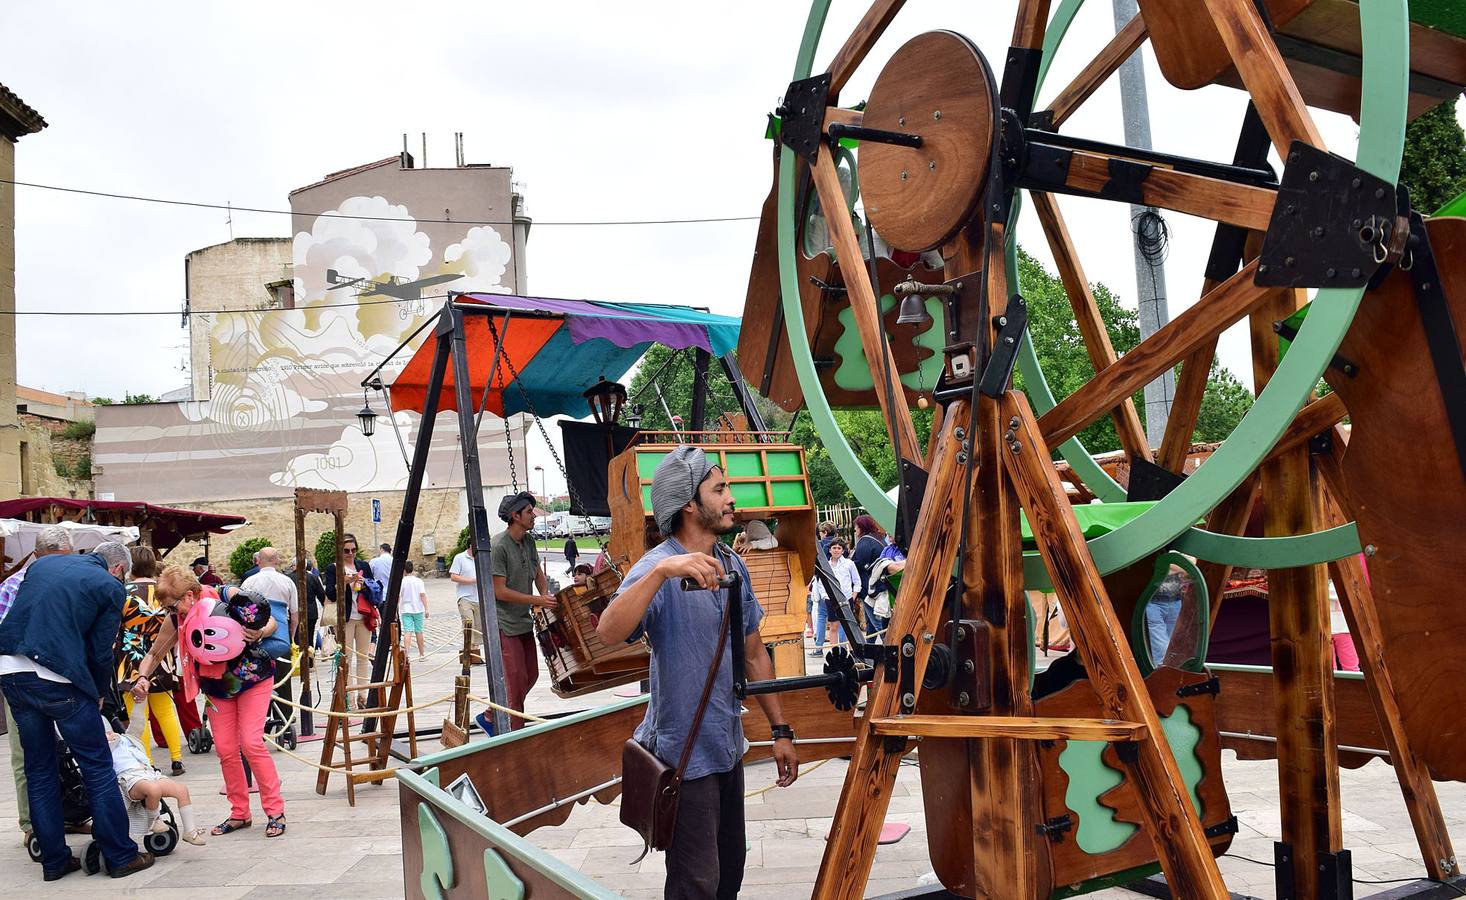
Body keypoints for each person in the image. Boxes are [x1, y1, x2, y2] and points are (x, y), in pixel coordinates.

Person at [596, 444, 798, 899]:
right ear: (689, 503)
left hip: (727, 749)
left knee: (730, 876)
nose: (731, 497)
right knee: (696, 885)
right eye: (720, 488)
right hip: (684, 761)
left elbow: (754, 654)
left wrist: (781, 730)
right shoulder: (658, 568)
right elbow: (609, 631)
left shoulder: (732, 564)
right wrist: (662, 572)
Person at [0, 541, 154, 880]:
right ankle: (120, 856)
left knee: (39, 769)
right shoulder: (110, 586)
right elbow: (101, 651)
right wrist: (99, 694)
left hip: (10, 670)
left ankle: (54, 861)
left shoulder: (42, 566)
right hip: (55, 676)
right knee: (97, 766)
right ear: (118, 569)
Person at [141, 568, 287, 839]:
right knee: (227, 749)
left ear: (188, 595)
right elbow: (154, 652)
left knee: (252, 743)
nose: (170, 612)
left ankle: (275, 811)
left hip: (253, 678)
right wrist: (141, 677)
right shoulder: (177, 619)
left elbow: (273, 622)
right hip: (218, 687)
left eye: (172, 606)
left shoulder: (227, 596)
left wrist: (259, 632)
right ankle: (239, 813)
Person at [0, 525, 73, 849]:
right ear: (43, 555)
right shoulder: (13, 586)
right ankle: (32, 824)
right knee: (26, 754)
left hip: (52, 678)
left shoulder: (60, 583)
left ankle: (66, 813)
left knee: (52, 752)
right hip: (24, 679)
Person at [479, 491, 556, 734]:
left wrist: (545, 597)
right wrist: (537, 599)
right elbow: (499, 591)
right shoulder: (498, 546)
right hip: (504, 624)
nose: (533, 515)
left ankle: (490, 716)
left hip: (523, 621)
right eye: (529, 512)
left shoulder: (529, 542)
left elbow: (537, 573)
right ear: (515, 516)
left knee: (530, 676)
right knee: (514, 687)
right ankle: (515, 738)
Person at [116, 546, 185, 775]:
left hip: (131, 656)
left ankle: (146, 761)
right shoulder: (164, 590)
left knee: (138, 713)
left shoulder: (122, 592)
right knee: (165, 709)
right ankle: (176, 758)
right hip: (161, 654)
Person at [104, 720, 206, 845]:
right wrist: (107, 742)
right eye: (105, 733)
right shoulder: (101, 750)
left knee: (181, 789)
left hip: (148, 773)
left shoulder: (127, 739)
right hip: (129, 778)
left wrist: (140, 701)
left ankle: (190, 831)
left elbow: (138, 721)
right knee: (153, 789)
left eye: (110, 731)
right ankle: (155, 820)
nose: (109, 734)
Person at [321, 534, 381, 699]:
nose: (350, 553)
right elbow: (331, 594)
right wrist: (345, 581)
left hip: (363, 616)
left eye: (353, 550)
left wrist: (363, 584)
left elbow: (373, 589)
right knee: (346, 659)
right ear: (339, 551)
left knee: (363, 656)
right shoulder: (333, 568)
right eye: (346, 550)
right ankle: (349, 697)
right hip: (344, 618)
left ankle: (363, 694)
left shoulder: (363, 566)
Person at [240, 547, 299, 651]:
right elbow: (294, 614)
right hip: (282, 634)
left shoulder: (248, 582)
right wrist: (292, 636)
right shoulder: (287, 582)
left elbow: (241, 611)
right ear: (276, 560)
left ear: (258, 560)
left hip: (255, 635)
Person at [810, 538, 859, 657]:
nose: (836, 550)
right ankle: (835, 653)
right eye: (834, 548)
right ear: (830, 550)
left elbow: (857, 581)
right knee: (833, 626)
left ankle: (853, 652)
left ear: (843, 551)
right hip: (830, 599)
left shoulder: (849, 564)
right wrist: (826, 596)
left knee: (849, 626)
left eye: (839, 548)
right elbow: (821, 583)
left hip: (847, 598)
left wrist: (853, 596)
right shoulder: (826, 565)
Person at [1145, 564, 1191, 665]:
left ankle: (1165, 673)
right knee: (1163, 650)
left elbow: (1190, 565)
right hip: (1153, 602)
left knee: (1171, 646)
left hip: (1175, 601)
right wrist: (1178, 568)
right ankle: (1164, 674)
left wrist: (1170, 567)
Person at [851, 514, 886, 636]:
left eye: (856, 526)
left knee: (878, 624)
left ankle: (887, 646)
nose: (854, 530)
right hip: (881, 584)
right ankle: (869, 649)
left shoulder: (865, 542)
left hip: (870, 588)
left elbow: (858, 565)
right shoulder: (879, 538)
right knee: (871, 624)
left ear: (861, 527)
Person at [449, 544, 483, 664]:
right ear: (471, 545)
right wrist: (472, 581)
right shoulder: (460, 558)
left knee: (479, 626)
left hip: (479, 597)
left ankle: (476, 655)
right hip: (465, 597)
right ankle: (469, 655)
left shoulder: (481, 557)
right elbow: (453, 576)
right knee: (469, 624)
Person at [398, 560, 429, 658]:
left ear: (403, 570)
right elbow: (422, 595)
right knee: (419, 631)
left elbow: (398, 597)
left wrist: (397, 608)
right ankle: (422, 654)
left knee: (408, 631)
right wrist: (426, 608)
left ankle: (406, 654)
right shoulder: (419, 581)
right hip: (418, 609)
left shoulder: (401, 582)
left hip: (406, 609)